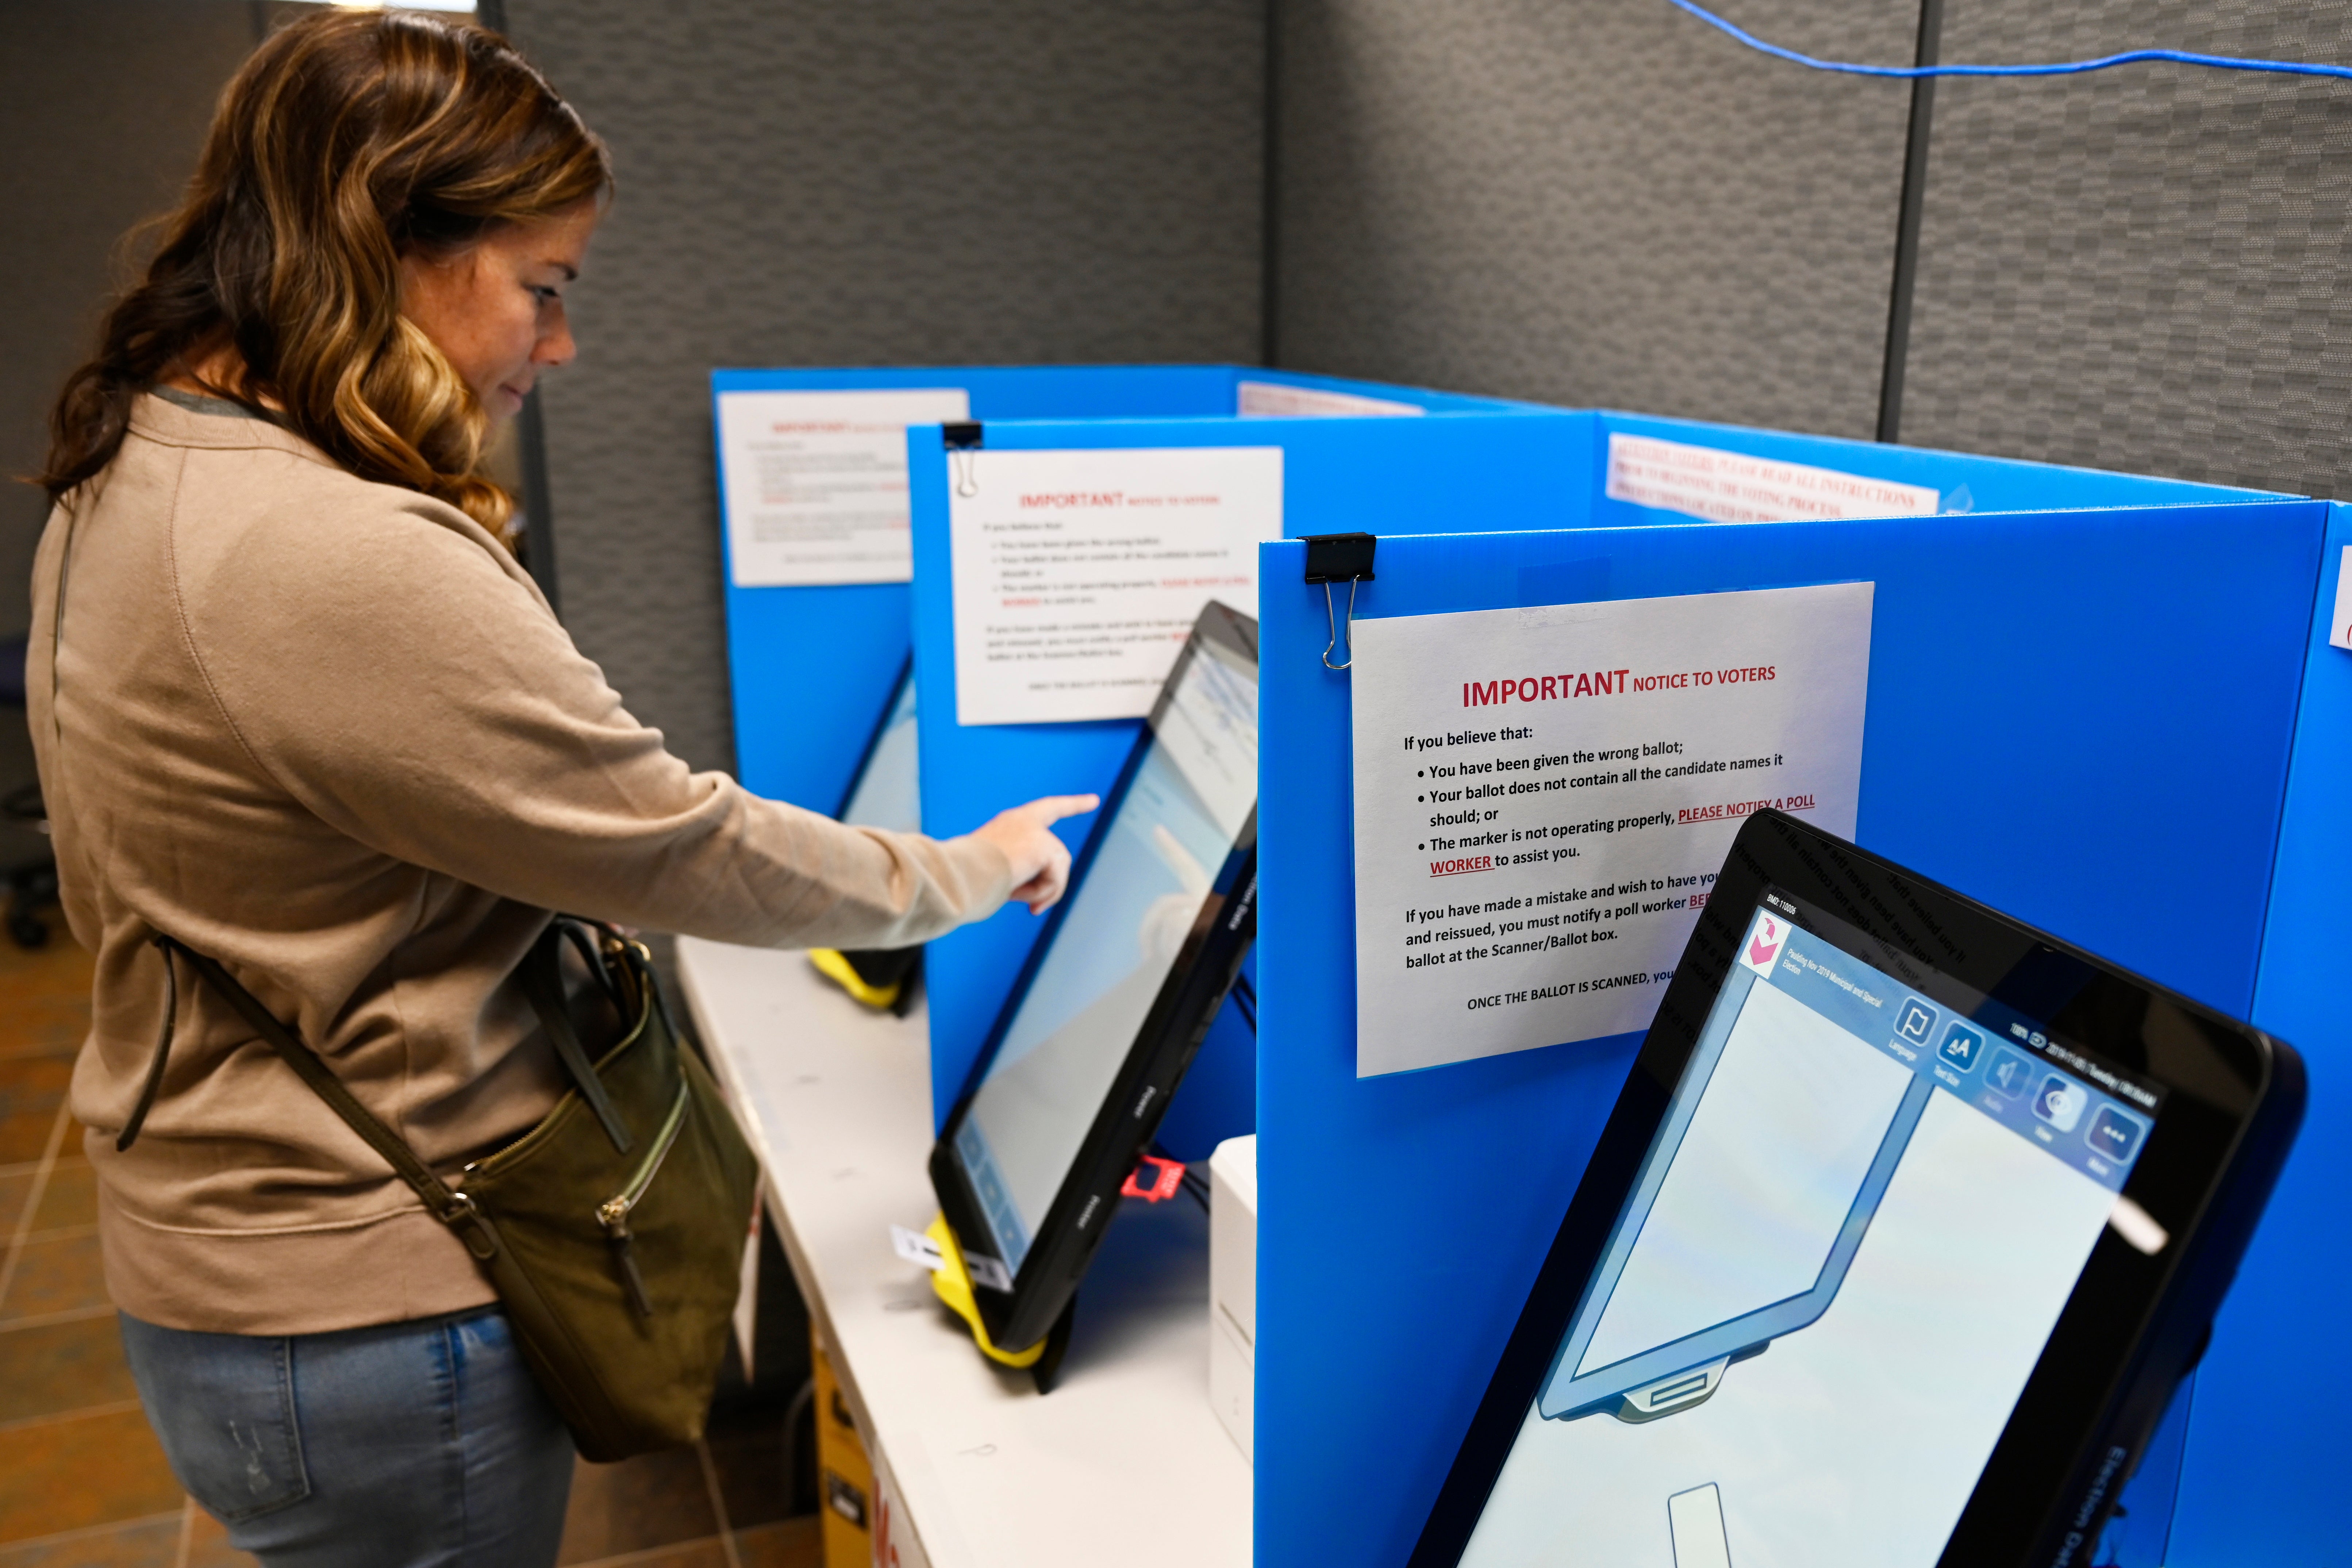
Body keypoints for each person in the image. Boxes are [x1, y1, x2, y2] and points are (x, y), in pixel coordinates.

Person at [25, 12, 1092, 1565]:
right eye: (545, 287)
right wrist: (965, 869)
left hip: (231, 1269)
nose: (563, 345)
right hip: (364, 1307)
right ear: (383, 247)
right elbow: (670, 842)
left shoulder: (144, 453)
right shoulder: (332, 552)